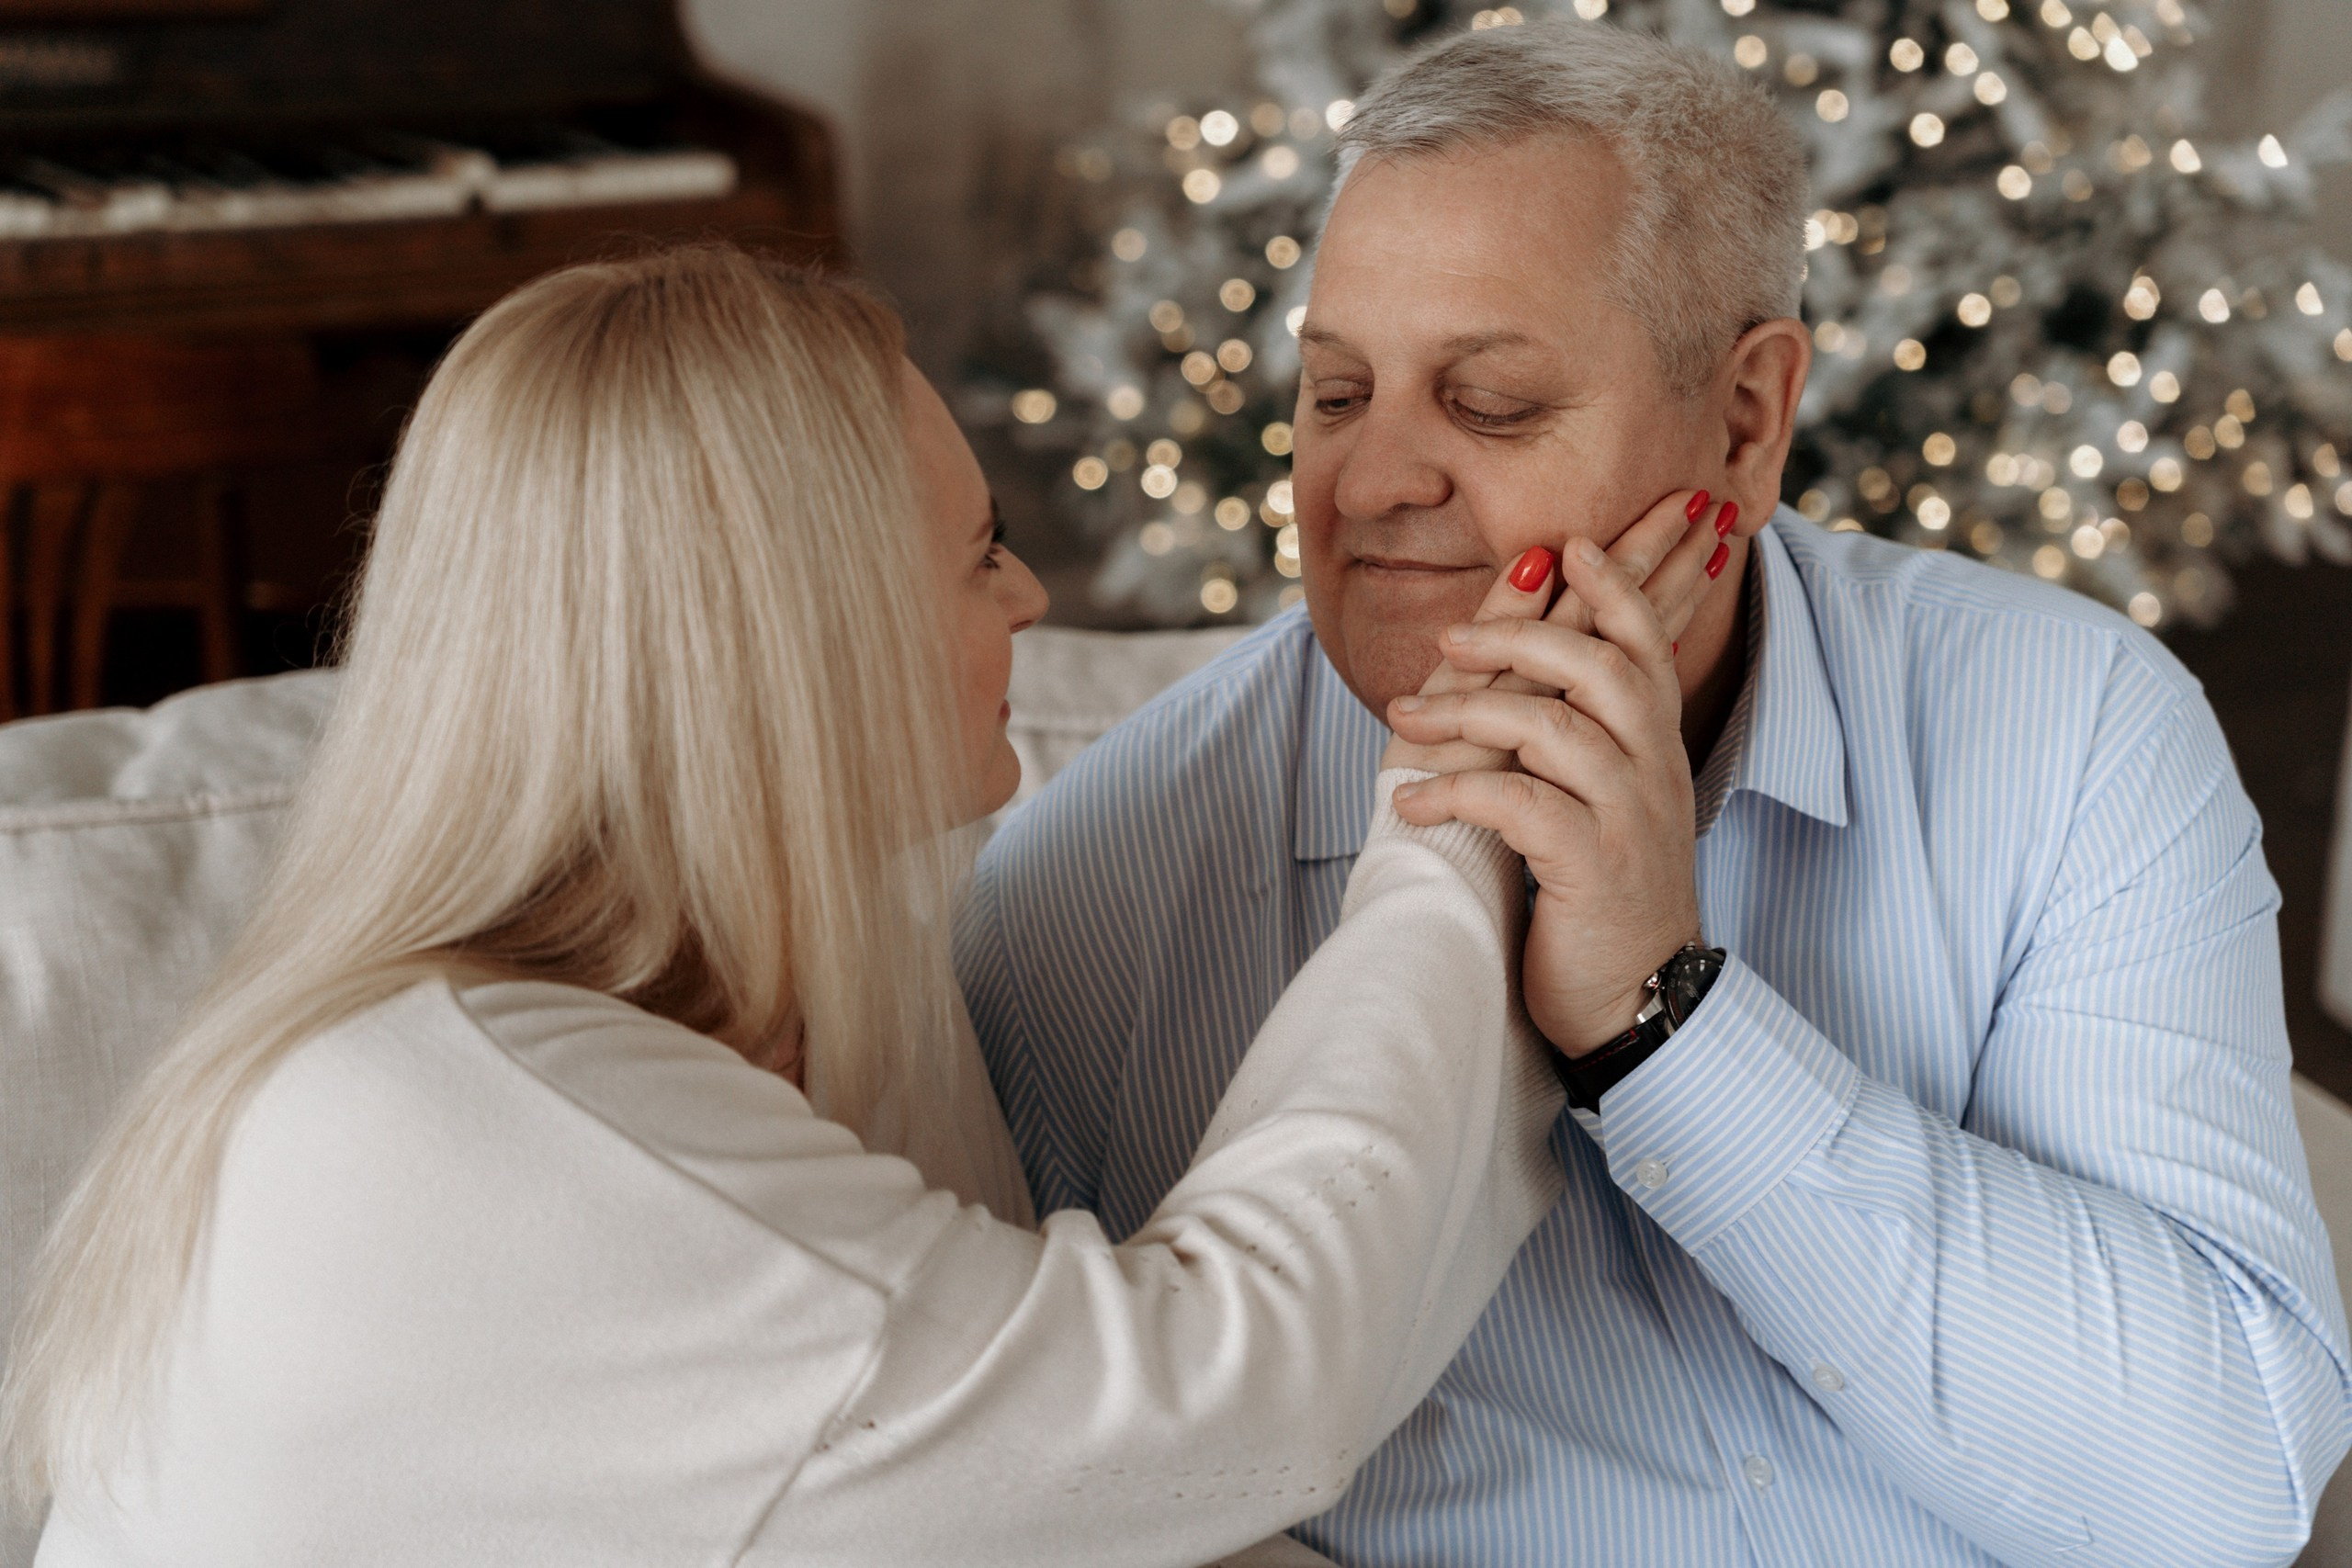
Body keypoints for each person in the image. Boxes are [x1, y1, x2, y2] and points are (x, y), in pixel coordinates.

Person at [0, 244, 1718, 1567]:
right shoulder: (454, 1125)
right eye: (978, 555)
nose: (1034, 593)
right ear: (800, 646)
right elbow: (1223, 1386)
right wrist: (1460, 816)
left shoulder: (753, 1014)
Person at [961, 21, 2352, 1568]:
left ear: (1747, 422)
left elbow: (2221, 1494)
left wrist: (1665, 1024)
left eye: (1488, 404)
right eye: (1339, 394)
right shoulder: (1086, 901)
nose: (1367, 488)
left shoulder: (2073, 732)